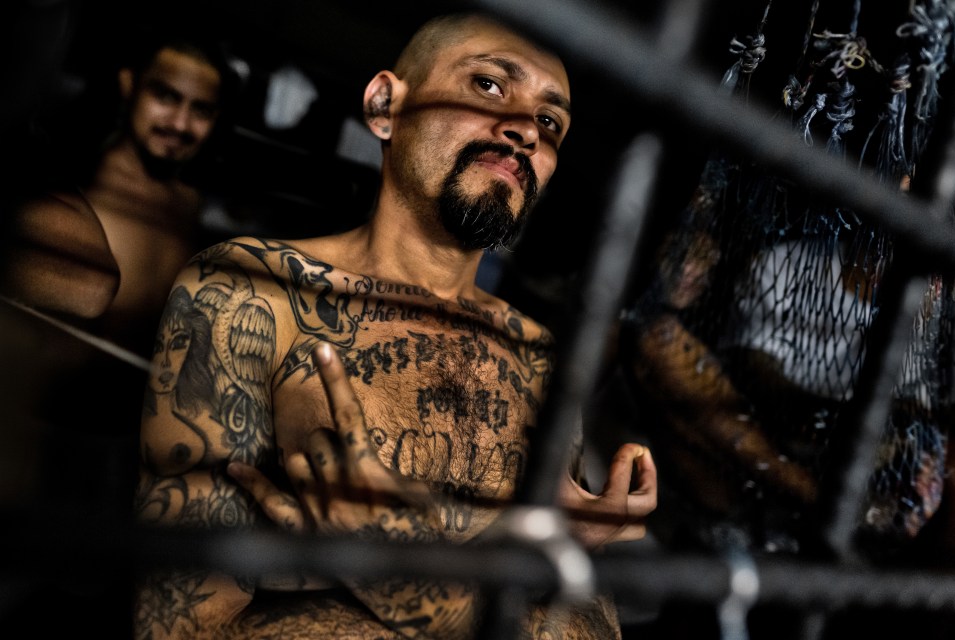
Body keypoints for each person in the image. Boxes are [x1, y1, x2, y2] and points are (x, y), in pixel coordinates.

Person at [134, 11, 657, 639]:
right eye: (488, 85)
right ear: (385, 106)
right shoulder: (251, 291)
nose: (525, 130)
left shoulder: (538, 357)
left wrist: (390, 570)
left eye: (550, 122)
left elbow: (590, 627)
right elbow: (179, 627)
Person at [0, 28, 234, 359]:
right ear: (129, 85)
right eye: (165, 97)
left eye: (201, 110)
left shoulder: (188, 203)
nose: (180, 124)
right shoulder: (79, 182)